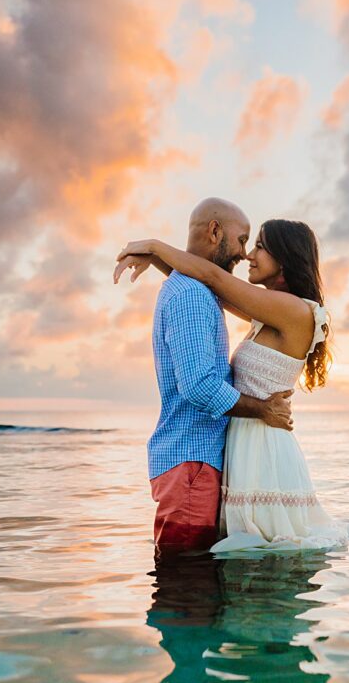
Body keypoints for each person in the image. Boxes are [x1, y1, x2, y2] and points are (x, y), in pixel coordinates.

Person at [115, 217, 349, 553]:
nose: (249, 255)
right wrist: (159, 262)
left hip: (263, 446)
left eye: (260, 246)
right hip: (245, 442)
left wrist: (154, 246)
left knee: (264, 553)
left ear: (285, 259)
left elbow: (214, 277)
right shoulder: (269, 311)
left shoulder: (292, 309)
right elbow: (207, 284)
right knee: (245, 554)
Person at [120, 198, 294, 558]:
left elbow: (214, 280)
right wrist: (263, 410)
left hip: (191, 463)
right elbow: (199, 386)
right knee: (186, 584)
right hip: (191, 464)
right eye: (243, 240)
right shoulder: (193, 297)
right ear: (215, 231)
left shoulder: (196, 290)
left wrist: (158, 257)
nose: (244, 254)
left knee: (190, 580)